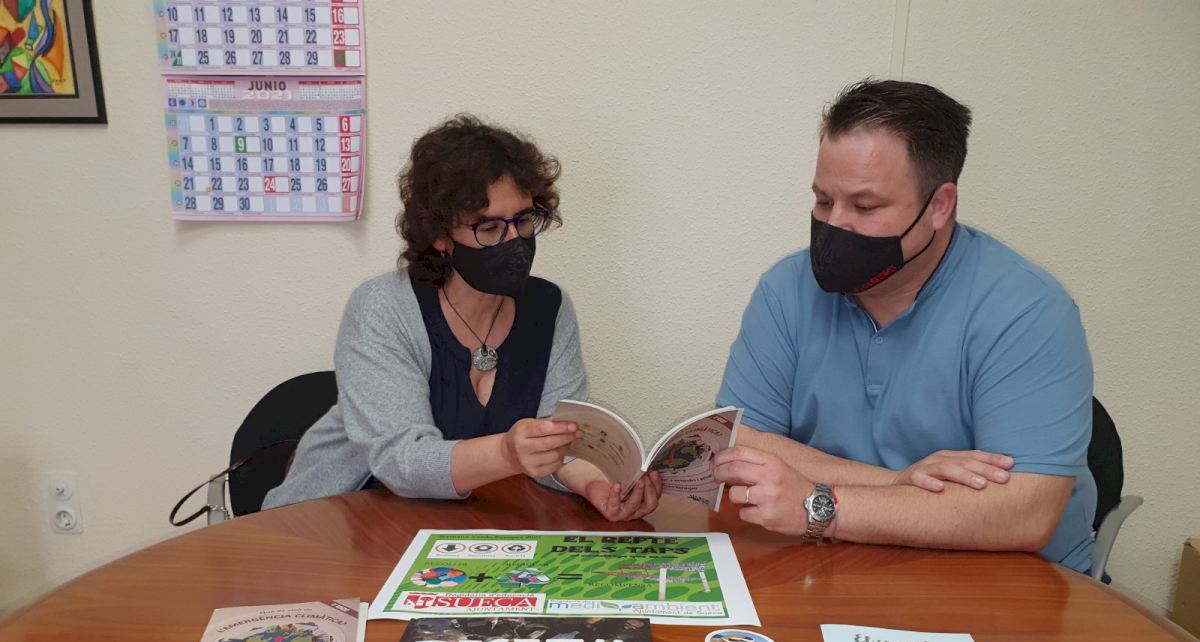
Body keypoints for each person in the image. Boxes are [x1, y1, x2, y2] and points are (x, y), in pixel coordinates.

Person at [713, 80, 1096, 573]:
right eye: (824, 201)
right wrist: (897, 482)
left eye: (865, 207)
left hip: (1008, 582)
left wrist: (820, 504)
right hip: (836, 567)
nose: (835, 225)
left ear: (939, 205)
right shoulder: (787, 288)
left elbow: (1024, 511)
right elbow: (737, 443)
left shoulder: (1027, 309)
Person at [264, 115, 662, 519]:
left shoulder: (550, 308)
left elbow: (558, 445)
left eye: (524, 220)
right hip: (331, 519)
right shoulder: (383, 308)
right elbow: (401, 461)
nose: (514, 241)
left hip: (453, 528)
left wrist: (600, 487)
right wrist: (507, 452)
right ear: (439, 235)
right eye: (489, 228)